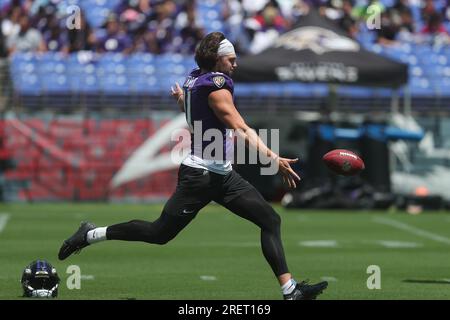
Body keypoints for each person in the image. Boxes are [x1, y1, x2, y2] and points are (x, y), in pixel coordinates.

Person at [58, 32, 328, 300]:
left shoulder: (196, 78)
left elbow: (196, 111)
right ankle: (90, 234)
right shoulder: (217, 87)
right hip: (200, 176)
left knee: (270, 219)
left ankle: (289, 291)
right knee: (158, 233)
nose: (235, 65)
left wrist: (182, 100)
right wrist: (274, 158)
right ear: (217, 59)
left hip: (222, 175)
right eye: (231, 60)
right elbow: (241, 128)